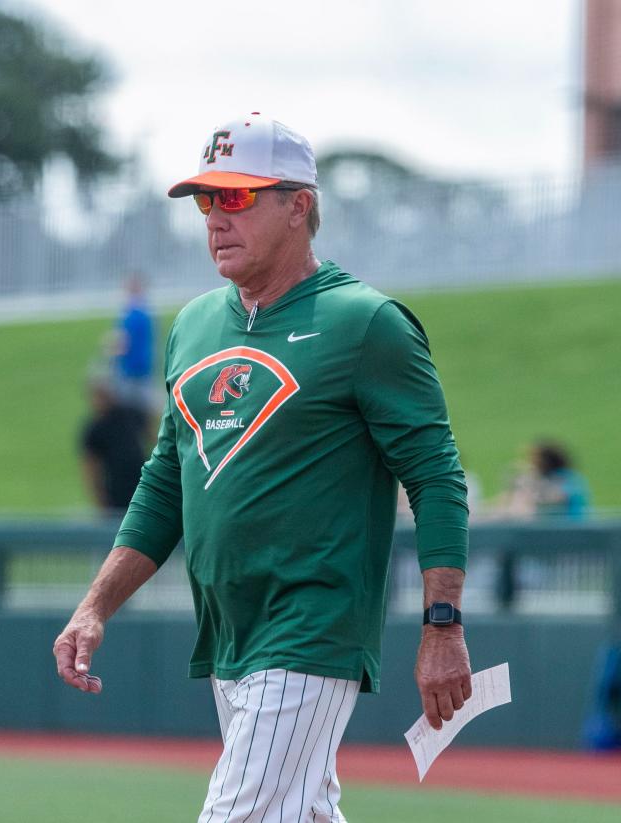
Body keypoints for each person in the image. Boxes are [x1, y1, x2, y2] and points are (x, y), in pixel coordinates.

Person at [53, 113, 471, 822]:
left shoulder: (364, 323)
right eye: (205, 199)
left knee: (237, 813)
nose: (215, 216)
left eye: (237, 197)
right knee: (299, 811)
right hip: (228, 626)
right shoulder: (193, 325)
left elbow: (437, 477)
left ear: (298, 205)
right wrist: (95, 606)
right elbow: (165, 482)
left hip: (312, 623)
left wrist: (443, 624)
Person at [80, 373, 148, 514]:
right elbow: (91, 468)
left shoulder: (131, 414)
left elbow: (153, 439)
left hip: (142, 484)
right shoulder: (95, 429)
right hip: (116, 493)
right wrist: (100, 501)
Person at [500, 440, 589, 520]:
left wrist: (528, 491)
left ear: (545, 460)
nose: (531, 463)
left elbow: (556, 497)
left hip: (572, 527)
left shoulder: (565, 477)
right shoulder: (552, 477)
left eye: (534, 459)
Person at [111, 273, 156, 416]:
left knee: (129, 411)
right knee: (144, 411)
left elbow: (122, 343)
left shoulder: (131, 314)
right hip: (144, 367)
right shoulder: (146, 313)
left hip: (130, 369)